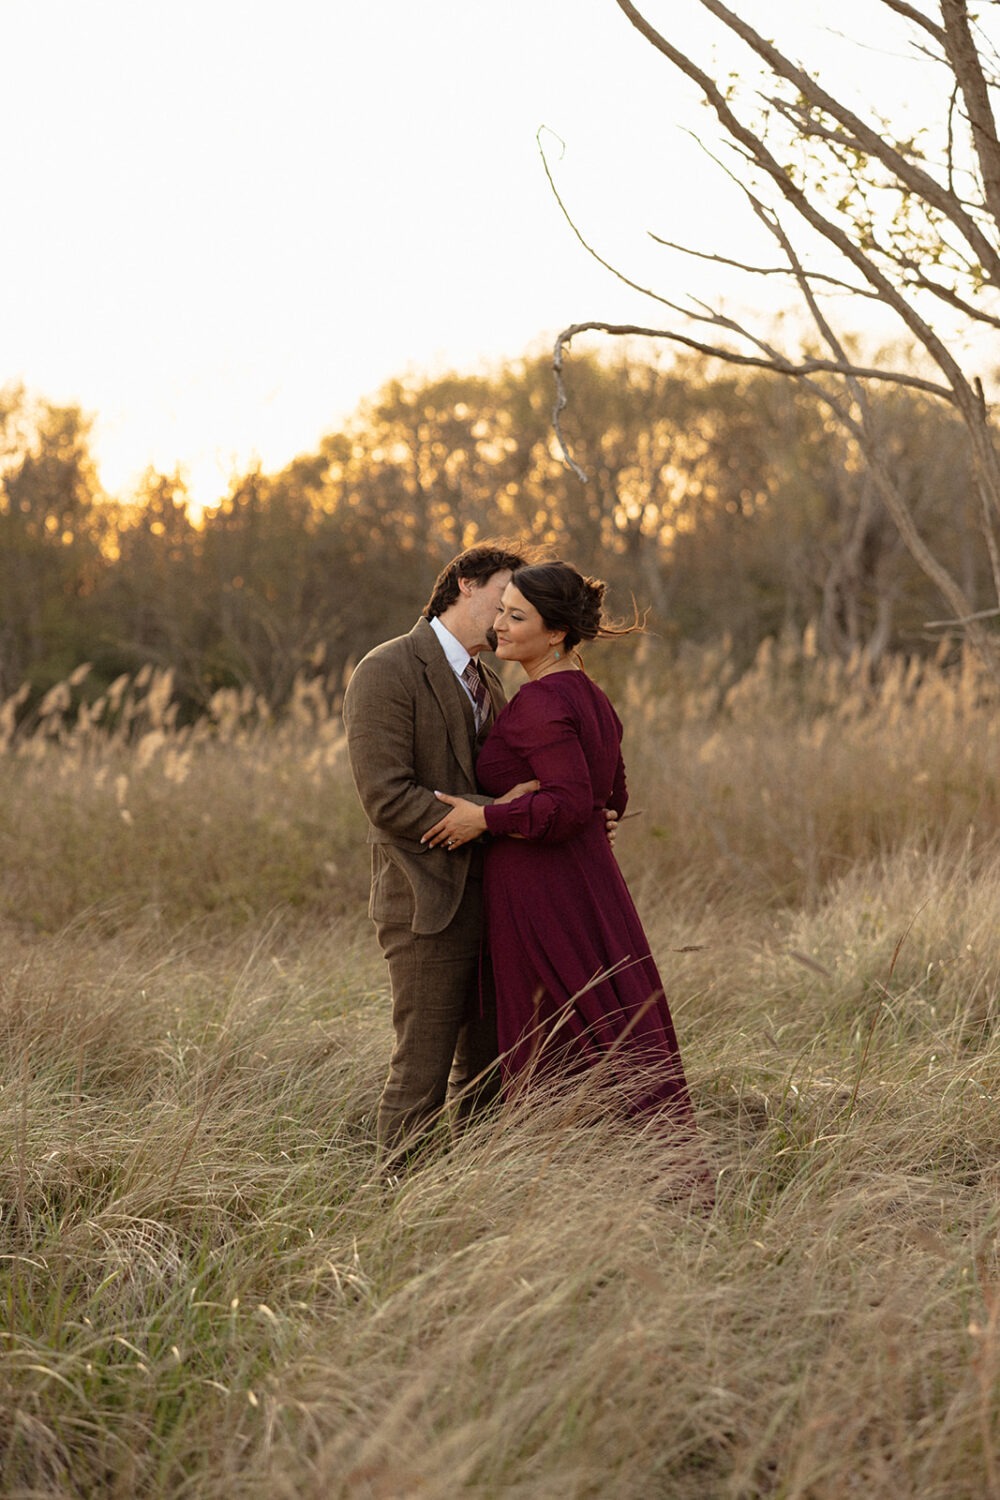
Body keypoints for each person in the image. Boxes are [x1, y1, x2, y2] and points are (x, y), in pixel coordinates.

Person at [424, 560, 698, 1133]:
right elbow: (610, 796)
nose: (499, 624)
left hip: (543, 891)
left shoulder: (543, 702)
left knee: (556, 1033)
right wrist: (586, 819)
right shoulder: (590, 698)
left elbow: (574, 803)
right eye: (500, 610)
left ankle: (575, 1168)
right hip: (588, 885)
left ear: (555, 633)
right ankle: (625, 1161)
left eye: (516, 616)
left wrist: (488, 817)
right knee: (605, 1023)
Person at [341, 542, 528, 1159]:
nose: (508, 617)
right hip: (424, 905)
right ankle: (396, 1221)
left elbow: (501, 788)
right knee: (419, 1081)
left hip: (495, 905)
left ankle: (466, 1215)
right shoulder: (387, 668)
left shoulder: (488, 680)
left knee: (489, 1080)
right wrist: (481, 819)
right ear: (467, 584)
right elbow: (386, 796)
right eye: (504, 599)